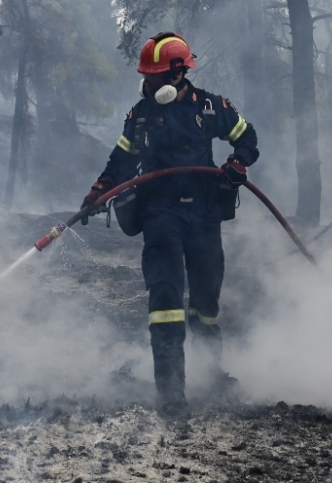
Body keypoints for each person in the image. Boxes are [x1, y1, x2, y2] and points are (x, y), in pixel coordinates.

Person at [81, 32, 258, 417]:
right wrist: (101, 188)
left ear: (178, 75)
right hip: (160, 214)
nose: (147, 83)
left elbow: (248, 137)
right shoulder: (140, 115)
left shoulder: (211, 107)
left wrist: (237, 163)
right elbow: (121, 162)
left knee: (206, 304)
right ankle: (171, 395)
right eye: (146, 76)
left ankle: (211, 376)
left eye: (154, 76)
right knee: (165, 301)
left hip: (205, 214)